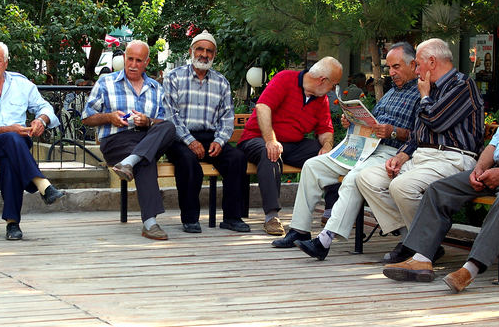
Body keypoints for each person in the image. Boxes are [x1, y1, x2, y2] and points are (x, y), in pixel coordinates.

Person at [383, 46, 499, 292]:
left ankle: (470, 269)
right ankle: (422, 259)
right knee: (439, 189)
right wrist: (479, 169)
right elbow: (495, 143)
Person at [280, 43, 421, 260]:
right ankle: (298, 229)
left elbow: (422, 136)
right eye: (389, 67)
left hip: (391, 152)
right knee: (312, 165)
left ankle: (324, 240)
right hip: (363, 146)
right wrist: (353, 122)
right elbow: (373, 122)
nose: (391, 72)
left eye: (396, 67)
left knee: (355, 177)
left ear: (413, 64)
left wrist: (394, 132)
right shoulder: (392, 92)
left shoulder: (422, 94)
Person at [356, 38, 484, 263]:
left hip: (453, 157)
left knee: (402, 186)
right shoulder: (428, 86)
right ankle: (415, 240)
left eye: (417, 64)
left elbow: (436, 121)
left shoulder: (461, 85)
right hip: (422, 156)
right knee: (368, 178)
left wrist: (424, 96)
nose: (415, 70)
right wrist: (401, 155)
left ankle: (422, 244)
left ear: (432, 62)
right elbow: (418, 133)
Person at [0, 40, 66, 241]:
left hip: (16, 147)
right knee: (12, 139)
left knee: (12, 154)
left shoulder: (22, 84)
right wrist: (8, 129)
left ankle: (12, 225)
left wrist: (41, 120)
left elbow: (46, 109)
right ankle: (42, 185)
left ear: (6, 63)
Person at [237, 56, 343, 235]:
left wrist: (327, 145)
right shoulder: (285, 78)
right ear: (322, 80)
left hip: (292, 144)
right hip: (257, 138)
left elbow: (325, 129)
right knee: (270, 152)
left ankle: (330, 211)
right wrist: (270, 140)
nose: (333, 89)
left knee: (330, 157)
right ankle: (271, 216)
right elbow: (263, 107)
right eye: (334, 84)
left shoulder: (320, 98)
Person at [82, 40, 176, 240]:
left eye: (138, 60)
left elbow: (164, 120)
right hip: (117, 140)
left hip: (146, 138)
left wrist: (148, 121)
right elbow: (86, 117)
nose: (133, 64)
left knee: (168, 126)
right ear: (124, 58)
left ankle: (129, 163)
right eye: (129, 59)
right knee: (146, 159)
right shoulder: (106, 82)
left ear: (147, 62)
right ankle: (150, 223)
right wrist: (109, 117)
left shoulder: (156, 88)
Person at [163, 30, 250, 233]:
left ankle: (231, 217)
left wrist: (219, 141)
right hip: (179, 138)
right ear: (191, 51)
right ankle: (190, 218)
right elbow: (170, 116)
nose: (204, 54)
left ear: (214, 55)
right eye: (200, 49)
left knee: (236, 158)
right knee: (188, 161)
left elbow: (227, 118)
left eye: (209, 51)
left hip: (210, 137)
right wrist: (189, 141)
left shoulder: (221, 82)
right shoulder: (173, 78)